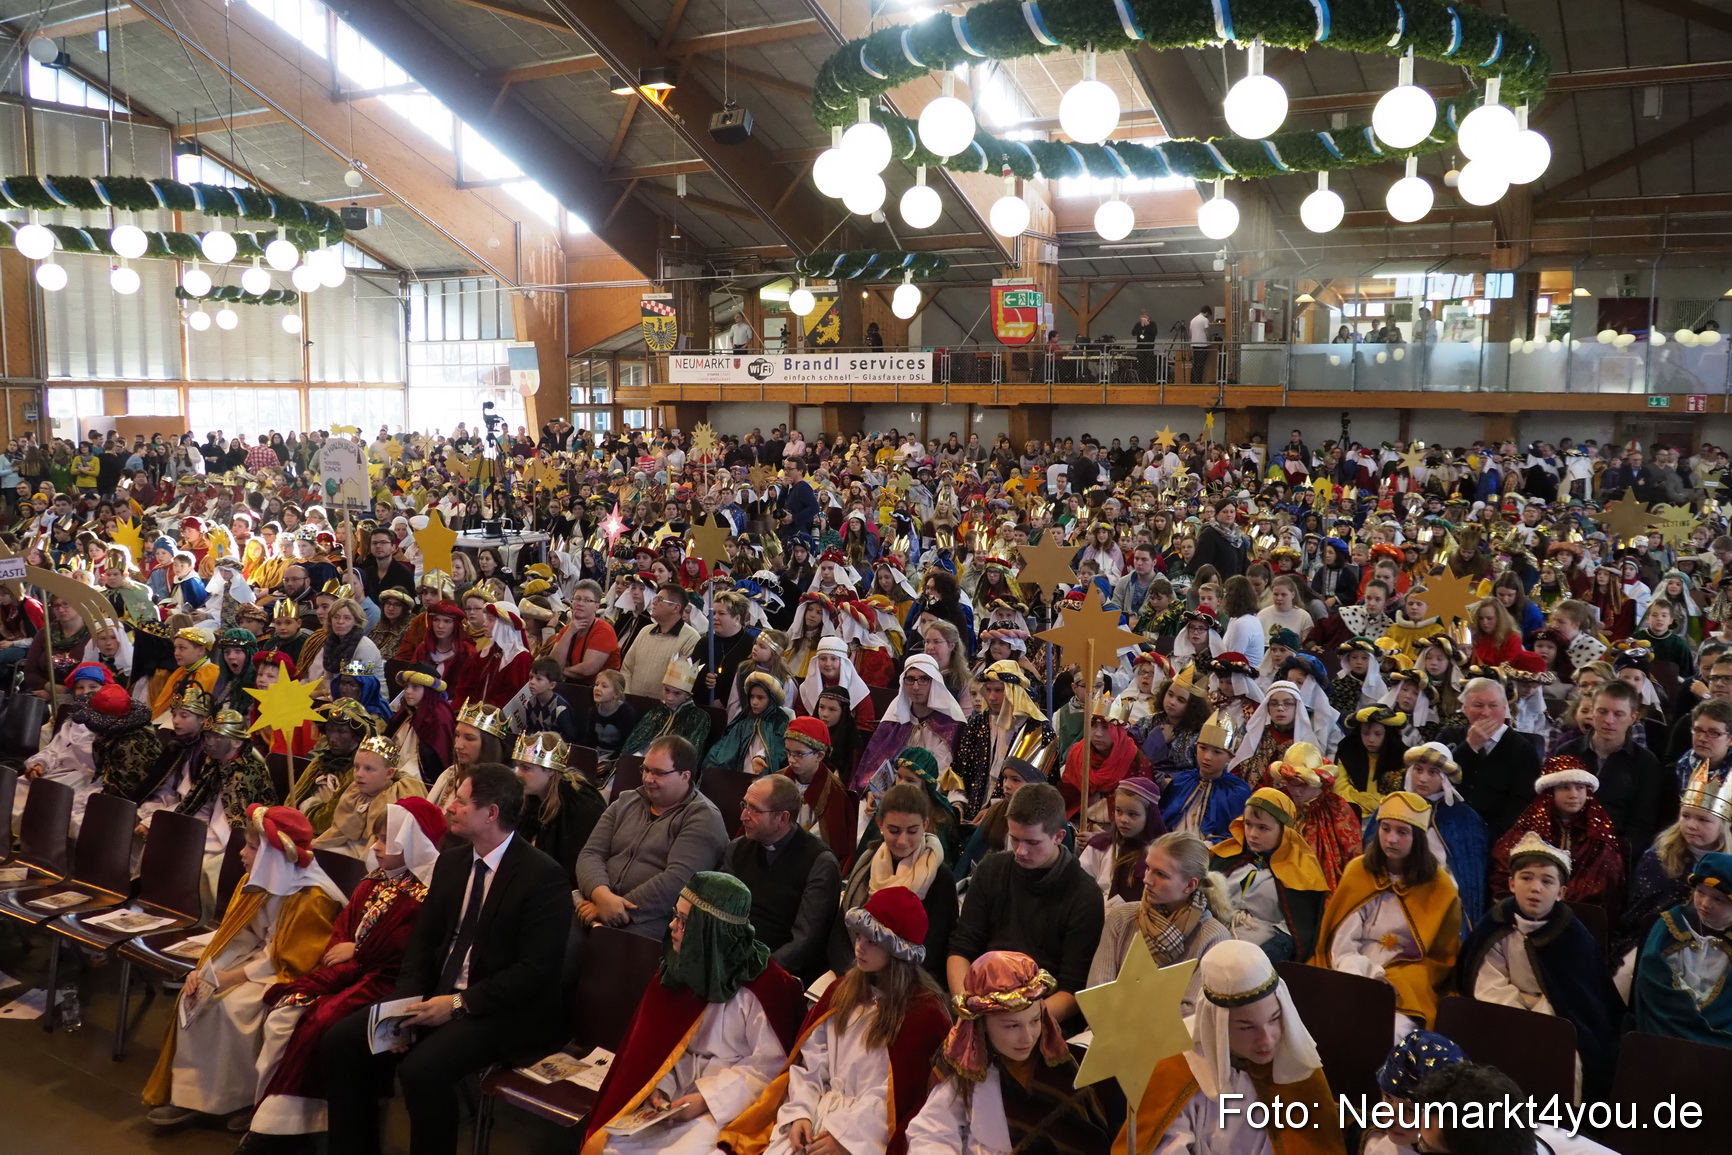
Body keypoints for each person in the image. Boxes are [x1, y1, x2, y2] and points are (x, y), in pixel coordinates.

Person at [320, 765, 572, 1155]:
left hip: (500, 1010)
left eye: (461, 800)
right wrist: (404, 1005)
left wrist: (458, 1004)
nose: (449, 806)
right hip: (439, 996)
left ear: (490, 813)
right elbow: (423, 944)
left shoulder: (543, 877)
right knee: (342, 1042)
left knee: (423, 1070)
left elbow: (534, 973)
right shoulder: (453, 862)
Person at [247, 797, 446, 1144]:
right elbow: (344, 926)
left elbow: (398, 951)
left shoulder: (421, 897)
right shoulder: (374, 880)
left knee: (321, 1022)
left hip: (384, 983)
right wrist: (347, 955)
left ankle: (295, 1128)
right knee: (284, 1012)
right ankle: (267, 1115)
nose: (377, 848)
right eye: (376, 838)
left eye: (386, 840)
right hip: (351, 973)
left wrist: (357, 951)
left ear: (411, 842)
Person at [144, 805, 345, 1130]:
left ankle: (244, 1100)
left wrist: (230, 978)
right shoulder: (254, 882)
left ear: (273, 853)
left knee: (234, 1008)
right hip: (258, 962)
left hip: (288, 974)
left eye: (252, 847)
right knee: (198, 995)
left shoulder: (311, 898)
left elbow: (293, 960)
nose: (242, 853)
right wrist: (208, 970)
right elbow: (238, 936)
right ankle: (192, 1097)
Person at [578, 872, 805, 1155]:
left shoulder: (765, 987)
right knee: (613, 1148)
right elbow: (657, 1048)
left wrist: (706, 1100)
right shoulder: (678, 969)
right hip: (676, 1097)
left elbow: (769, 1069)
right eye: (676, 915)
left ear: (710, 932)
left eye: (685, 922)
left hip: (728, 1108)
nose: (672, 926)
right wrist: (661, 1088)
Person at [718, 886, 952, 1155]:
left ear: (898, 951)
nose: (858, 947)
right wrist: (800, 1113)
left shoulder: (922, 1015)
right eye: (859, 936)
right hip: (817, 1113)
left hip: (865, 1137)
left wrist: (845, 1139)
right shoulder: (842, 992)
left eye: (872, 941)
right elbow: (812, 1063)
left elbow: (901, 1099)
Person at [1120, 939, 1342, 1155]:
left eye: (1274, 1019)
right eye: (1247, 1028)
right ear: (1217, 1026)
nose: (1266, 1040)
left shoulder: (1296, 1063)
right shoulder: (1178, 1068)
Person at [1456, 832, 1624, 1097]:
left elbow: (1577, 999)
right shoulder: (1495, 923)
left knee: (1570, 1065)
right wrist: (1517, 1014)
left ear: (1562, 891)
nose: (1535, 888)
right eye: (1526, 878)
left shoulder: (1572, 936)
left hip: (1555, 1022)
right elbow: (1486, 979)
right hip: (1501, 1013)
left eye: (1547, 881)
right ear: (1511, 883)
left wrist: (1539, 1019)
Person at [904, 952, 1108, 1154]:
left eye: (1035, 1021)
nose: (1027, 1037)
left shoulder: (1060, 1069)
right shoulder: (967, 1073)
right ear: (981, 1024)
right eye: (1012, 1026)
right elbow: (931, 1132)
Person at [946, 783, 1104, 1029]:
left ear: (1058, 836)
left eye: (1032, 842)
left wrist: (1014, 1022)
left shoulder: (1084, 895)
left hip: (1042, 1019)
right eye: (1015, 839)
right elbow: (962, 948)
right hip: (981, 1006)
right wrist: (966, 1004)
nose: (1020, 851)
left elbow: (1074, 990)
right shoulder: (991, 870)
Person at [1314, 791, 1463, 1033]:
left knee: (1391, 1028)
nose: (1391, 839)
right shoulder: (1358, 871)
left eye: (1402, 832)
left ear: (1417, 837)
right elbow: (1341, 939)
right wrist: (1358, 971)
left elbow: (1440, 957)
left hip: (1407, 970)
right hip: (1355, 961)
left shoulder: (1440, 886)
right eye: (1386, 829)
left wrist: (1390, 979)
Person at [576, 734, 729, 939]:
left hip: (653, 920)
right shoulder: (626, 801)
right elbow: (591, 853)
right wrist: (601, 895)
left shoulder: (703, 817)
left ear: (685, 776)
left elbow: (678, 880)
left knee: (601, 950)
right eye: (646, 769)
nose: (648, 779)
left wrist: (616, 910)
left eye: (658, 773)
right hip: (596, 901)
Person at [1087, 831, 1232, 1015]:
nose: (1147, 879)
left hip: (1173, 1040)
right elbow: (1097, 992)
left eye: (1161, 874)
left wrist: (1128, 1018)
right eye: (1148, 868)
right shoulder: (1122, 918)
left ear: (1190, 885)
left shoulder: (1213, 937)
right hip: (1107, 1030)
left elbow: (1191, 1011)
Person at [829, 782, 958, 983]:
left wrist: (876, 978)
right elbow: (840, 931)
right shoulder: (867, 862)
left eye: (912, 831)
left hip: (905, 983)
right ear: (880, 824)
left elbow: (933, 952)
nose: (902, 841)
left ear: (925, 825)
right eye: (894, 830)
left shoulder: (940, 878)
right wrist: (850, 972)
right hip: (854, 972)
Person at [721, 774, 841, 980]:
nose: (743, 816)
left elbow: (805, 940)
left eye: (754, 810)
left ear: (783, 818)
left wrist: (759, 973)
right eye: (744, 805)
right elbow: (721, 912)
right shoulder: (737, 849)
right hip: (731, 961)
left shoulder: (819, 863)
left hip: (779, 973)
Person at [1488, 755, 1627, 916]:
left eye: (1580, 787)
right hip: (1526, 910)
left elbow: (1605, 883)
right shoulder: (1527, 831)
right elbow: (1504, 872)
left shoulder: (1598, 835)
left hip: (1582, 916)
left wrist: (1559, 900)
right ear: (1550, 792)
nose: (1573, 794)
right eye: (1564, 788)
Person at [1631, 848, 1732, 1045]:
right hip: (1666, 1017)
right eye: (1700, 892)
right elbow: (1651, 973)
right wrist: (1684, 1005)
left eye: (1718, 899)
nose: (1704, 903)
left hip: (1717, 1028)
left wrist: (1707, 1015)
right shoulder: (1671, 924)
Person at [1558, 680, 1666, 855]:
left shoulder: (1646, 763)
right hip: (1565, 846)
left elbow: (1642, 824)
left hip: (1616, 852)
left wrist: (1612, 856)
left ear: (1632, 718)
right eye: (1602, 711)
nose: (1609, 720)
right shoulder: (1567, 752)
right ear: (1592, 711)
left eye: (1618, 714)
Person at [310, 733, 429, 860]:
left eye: (368, 769)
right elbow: (338, 832)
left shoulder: (401, 796)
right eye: (356, 767)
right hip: (349, 848)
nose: (359, 774)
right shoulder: (354, 791)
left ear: (389, 773)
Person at [1452, 675, 1542, 836]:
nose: (1486, 713)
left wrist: (1487, 835)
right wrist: (1470, 746)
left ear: (1505, 709)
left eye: (1493, 705)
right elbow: (1440, 778)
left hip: (1497, 833)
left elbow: (1522, 803)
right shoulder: (1449, 735)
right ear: (1465, 708)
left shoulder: (1523, 749)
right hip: (1450, 825)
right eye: (1478, 705)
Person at [512, 731, 605, 887]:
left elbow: (575, 864)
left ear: (550, 771)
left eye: (526, 768)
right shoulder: (531, 798)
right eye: (518, 767)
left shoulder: (580, 805)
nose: (518, 774)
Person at [1160, 707, 1252, 839]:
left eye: (1217, 752)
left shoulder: (1237, 791)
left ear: (1230, 756)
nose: (1207, 757)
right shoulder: (1181, 781)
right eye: (1203, 748)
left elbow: (1235, 836)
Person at [781, 714, 855, 869]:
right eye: (788, 752)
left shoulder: (834, 792)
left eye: (799, 754)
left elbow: (836, 846)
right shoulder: (778, 780)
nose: (791, 760)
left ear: (819, 755)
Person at [1077, 777, 1164, 902]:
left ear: (1149, 816)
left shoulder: (1159, 855)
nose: (1123, 819)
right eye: (1118, 811)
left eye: (1132, 814)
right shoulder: (1100, 846)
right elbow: (1081, 884)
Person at [705, 670, 791, 775]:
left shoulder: (779, 723)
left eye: (760, 697)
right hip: (739, 777)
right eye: (751, 696)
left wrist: (762, 757)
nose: (754, 702)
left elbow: (778, 750)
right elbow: (725, 751)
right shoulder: (743, 723)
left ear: (771, 699)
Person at [1187, 303, 1214, 385]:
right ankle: (1199, 381)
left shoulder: (1193, 320)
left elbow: (1190, 333)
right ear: (1206, 313)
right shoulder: (1205, 320)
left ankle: (1193, 380)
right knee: (1201, 364)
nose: (1208, 316)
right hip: (1203, 345)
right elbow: (1207, 332)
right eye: (1208, 315)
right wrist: (1210, 340)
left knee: (1195, 363)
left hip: (1194, 344)